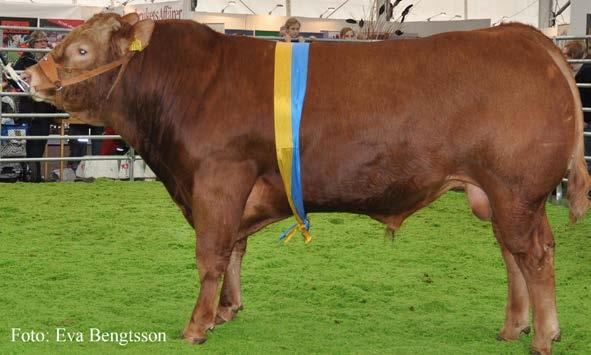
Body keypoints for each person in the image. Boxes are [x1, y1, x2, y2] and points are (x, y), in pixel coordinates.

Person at [13, 31, 60, 182]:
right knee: (27, 142)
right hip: (29, 107)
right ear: (33, 44)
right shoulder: (24, 59)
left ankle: (36, 174)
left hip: (45, 108)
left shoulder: (50, 61)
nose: (43, 44)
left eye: (45, 41)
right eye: (40, 42)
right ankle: (29, 173)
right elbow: (15, 79)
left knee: (40, 141)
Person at [565, 41, 591, 172]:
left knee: (587, 154)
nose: (564, 57)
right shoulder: (580, 70)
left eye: (566, 54)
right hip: (584, 119)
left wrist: (586, 118)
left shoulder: (586, 71)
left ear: (573, 55)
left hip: (588, 120)